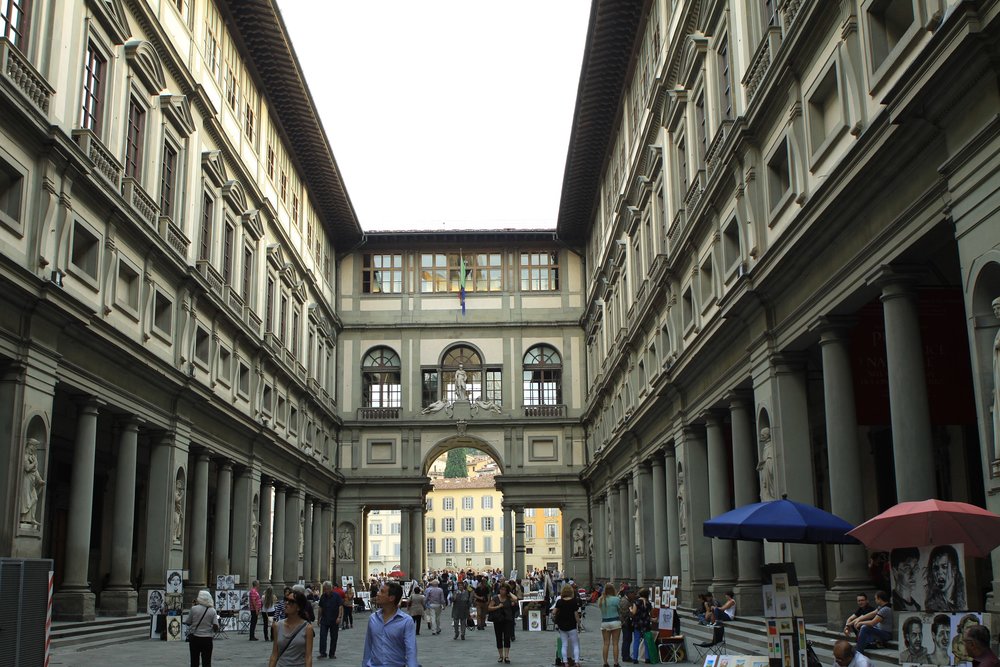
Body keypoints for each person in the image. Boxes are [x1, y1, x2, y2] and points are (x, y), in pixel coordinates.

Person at [362, 582, 418, 667]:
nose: (378, 593)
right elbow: (368, 646)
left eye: (382, 591)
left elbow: (411, 650)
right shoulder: (373, 619)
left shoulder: (406, 621)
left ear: (391, 598)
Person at [268, 589, 313, 667]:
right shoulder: (277, 626)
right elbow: (274, 654)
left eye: (291, 602)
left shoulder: (307, 628)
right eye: (286, 600)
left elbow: (308, 657)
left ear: (298, 607)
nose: (286, 603)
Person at [924, 544, 966, 612]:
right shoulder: (932, 605)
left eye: (944, 567)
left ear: (954, 570)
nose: (940, 572)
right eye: (936, 568)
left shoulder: (961, 601)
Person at [185, 589, 220, 667]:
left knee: (194, 661)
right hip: (207, 639)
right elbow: (216, 626)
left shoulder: (194, 609)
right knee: (207, 662)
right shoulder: (212, 610)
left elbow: (188, 622)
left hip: (195, 638)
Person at [854, 590, 892, 656]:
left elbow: (872, 623)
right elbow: (871, 614)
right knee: (865, 627)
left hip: (886, 634)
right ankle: (869, 644)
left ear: (879, 599)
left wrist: (860, 623)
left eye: (875, 598)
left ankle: (859, 651)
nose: (875, 600)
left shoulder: (885, 609)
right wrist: (859, 619)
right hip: (879, 631)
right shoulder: (881, 607)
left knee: (865, 628)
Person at [488, 582, 518, 664]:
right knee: (499, 637)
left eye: (504, 590)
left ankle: (507, 656)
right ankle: (501, 656)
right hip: (498, 620)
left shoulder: (509, 598)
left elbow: (515, 599)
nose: (502, 591)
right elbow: (489, 608)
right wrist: (498, 607)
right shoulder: (495, 598)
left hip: (507, 620)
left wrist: (509, 593)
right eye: (501, 589)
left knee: (507, 638)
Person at [554, 584, 583, 667]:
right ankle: (576, 662)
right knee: (575, 644)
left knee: (564, 644)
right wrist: (579, 624)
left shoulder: (560, 602)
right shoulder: (574, 602)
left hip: (562, 626)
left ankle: (565, 662)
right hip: (572, 626)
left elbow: (553, 612)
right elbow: (576, 615)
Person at [317, 581, 344, 659]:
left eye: (327, 589)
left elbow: (340, 607)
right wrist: (318, 619)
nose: (326, 590)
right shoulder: (323, 596)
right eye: (325, 589)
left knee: (334, 637)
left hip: (334, 619)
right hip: (324, 619)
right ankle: (323, 653)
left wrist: (339, 617)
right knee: (322, 636)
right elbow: (320, 608)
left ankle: (332, 653)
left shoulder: (336, 596)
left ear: (331, 588)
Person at [598, 582, 622, 667]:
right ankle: (615, 663)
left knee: (606, 643)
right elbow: (619, 610)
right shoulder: (616, 599)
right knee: (615, 643)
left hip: (605, 622)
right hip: (615, 621)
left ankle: (605, 663)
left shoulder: (601, 599)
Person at [629, 588, 652, 665]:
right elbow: (650, 613)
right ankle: (647, 658)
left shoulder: (637, 602)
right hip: (646, 623)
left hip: (638, 623)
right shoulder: (648, 603)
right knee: (646, 641)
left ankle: (635, 658)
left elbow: (634, 612)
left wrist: (630, 609)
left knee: (636, 641)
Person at [619, 588, 635, 662]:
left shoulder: (627, 600)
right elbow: (625, 613)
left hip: (626, 623)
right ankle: (625, 656)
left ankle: (625, 655)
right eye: (633, 594)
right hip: (626, 623)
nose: (634, 596)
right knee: (627, 639)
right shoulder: (625, 601)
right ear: (628, 594)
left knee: (627, 639)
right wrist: (632, 612)